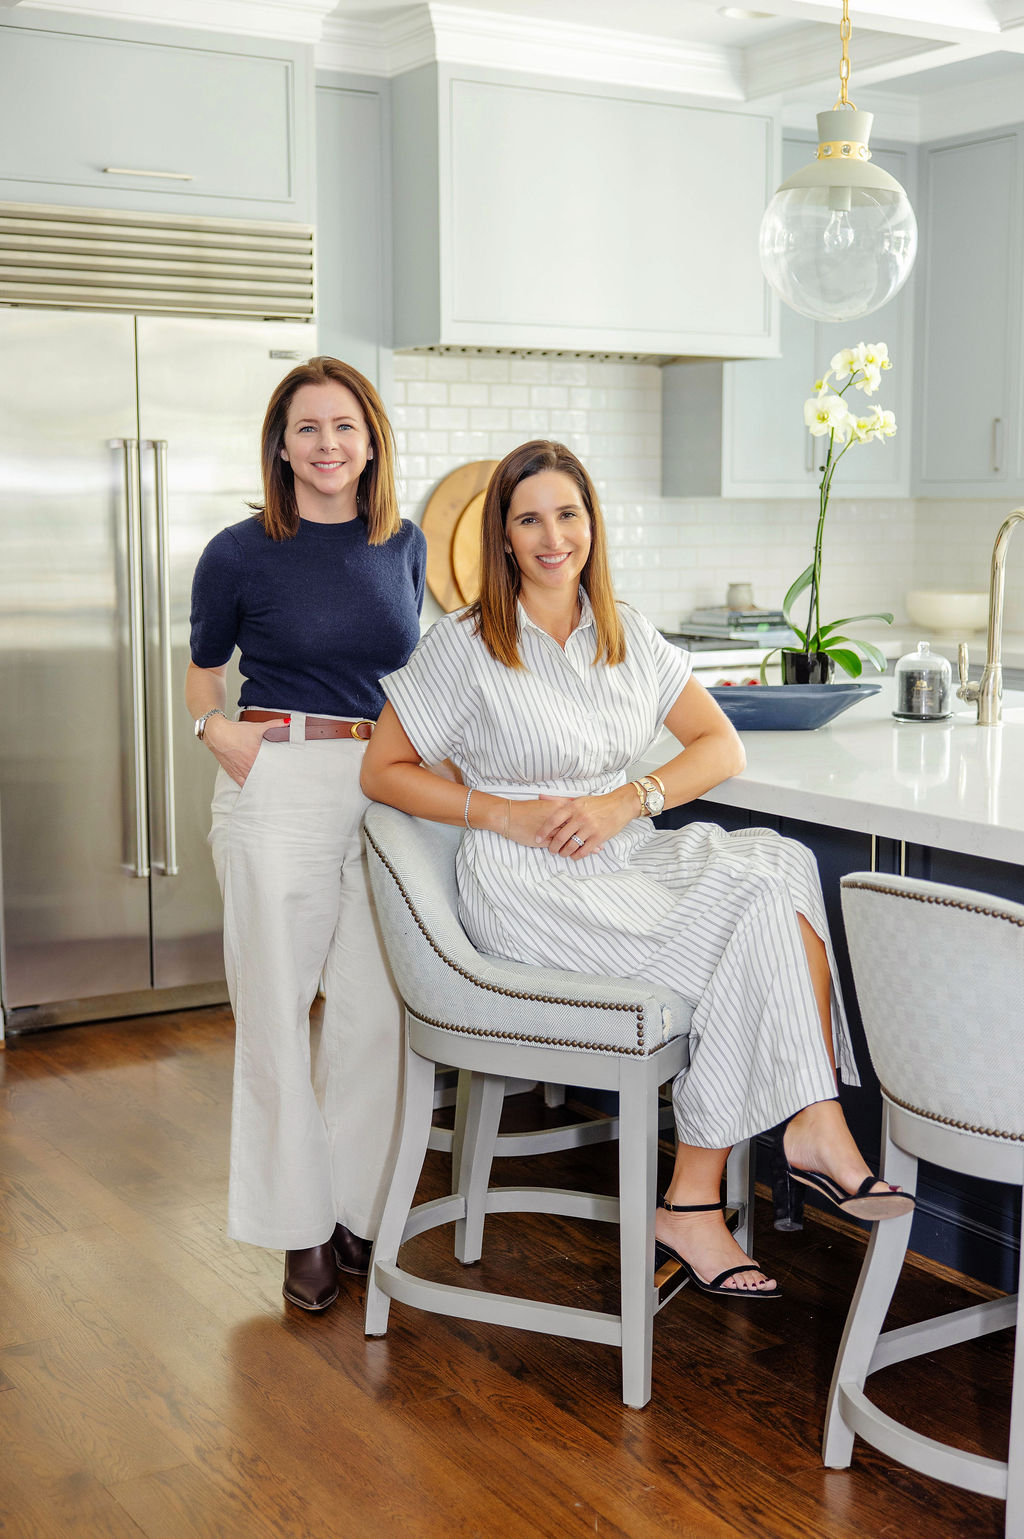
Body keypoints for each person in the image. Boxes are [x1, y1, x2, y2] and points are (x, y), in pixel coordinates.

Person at [360, 438, 913, 1301]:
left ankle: (741, 1166)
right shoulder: (465, 643)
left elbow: (719, 744)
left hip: (624, 853)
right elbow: (382, 769)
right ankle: (769, 1150)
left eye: (568, 514)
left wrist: (628, 800)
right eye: (530, 519)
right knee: (746, 920)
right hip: (528, 880)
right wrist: (502, 811)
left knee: (779, 863)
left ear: (593, 523)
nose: (554, 537)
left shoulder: (624, 629)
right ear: (502, 535)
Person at [186, 356, 426, 1312]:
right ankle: (299, 1227)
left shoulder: (403, 543)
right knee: (277, 1008)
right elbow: (203, 672)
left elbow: (410, 676)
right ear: (281, 447)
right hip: (278, 777)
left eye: (345, 426)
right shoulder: (237, 552)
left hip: (384, 787)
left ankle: (358, 1210)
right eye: (308, 428)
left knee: (377, 1012)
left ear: (371, 442)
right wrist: (215, 732)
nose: (329, 444)